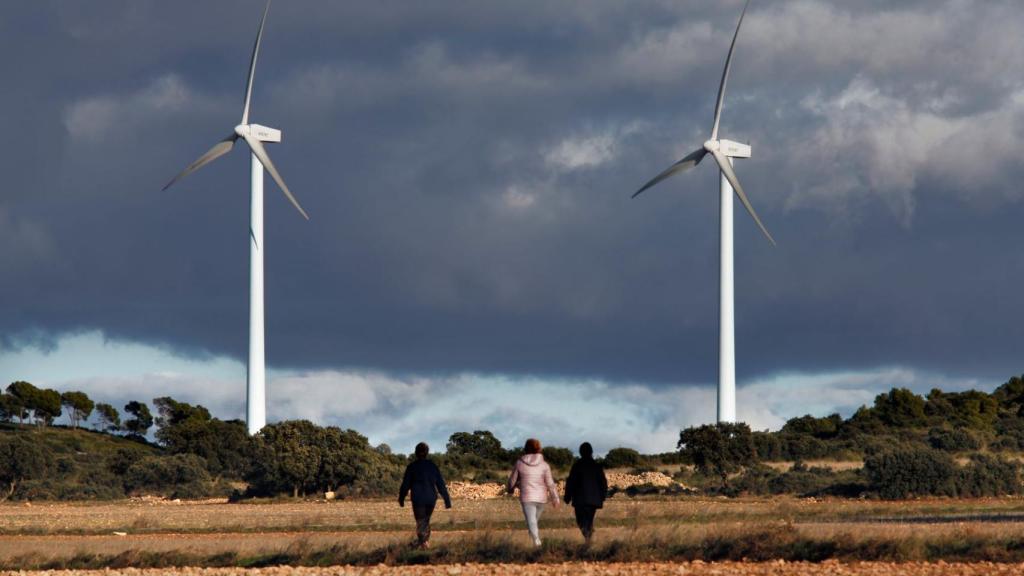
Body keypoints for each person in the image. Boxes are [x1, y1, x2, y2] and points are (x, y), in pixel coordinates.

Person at [507, 438, 559, 547]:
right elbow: (550, 483)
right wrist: (555, 498)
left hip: (527, 497)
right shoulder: (544, 465)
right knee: (533, 521)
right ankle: (533, 545)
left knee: (531, 521)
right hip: (541, 498)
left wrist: (510, 489)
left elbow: (512, 480)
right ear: (539, 448)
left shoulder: (519, 463)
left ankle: (536, 542)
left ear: (525, 448)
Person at [398, 442, 451, 549]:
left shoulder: (412, 467)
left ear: (416, 453)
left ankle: (424, 544)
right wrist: (447, 500)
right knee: (425, 521)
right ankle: (423, 543)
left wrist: (401, 498)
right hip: (431, 499)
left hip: (418, 499)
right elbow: (440, 484)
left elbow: (405, 484)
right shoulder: (433, 466)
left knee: (421, 521)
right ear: (427, 453)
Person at [563, 442, 608, 545]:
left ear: (580, 452)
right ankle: (589, 539)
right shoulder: (596, 466)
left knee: (581, 521)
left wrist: (567, 496)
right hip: (593, 500)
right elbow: (603, 482)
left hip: (580, 500)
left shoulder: (577, 466)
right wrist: (603, 496)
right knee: (588, 520)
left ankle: (588, 539)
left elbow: (570, 482)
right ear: (591, 452)